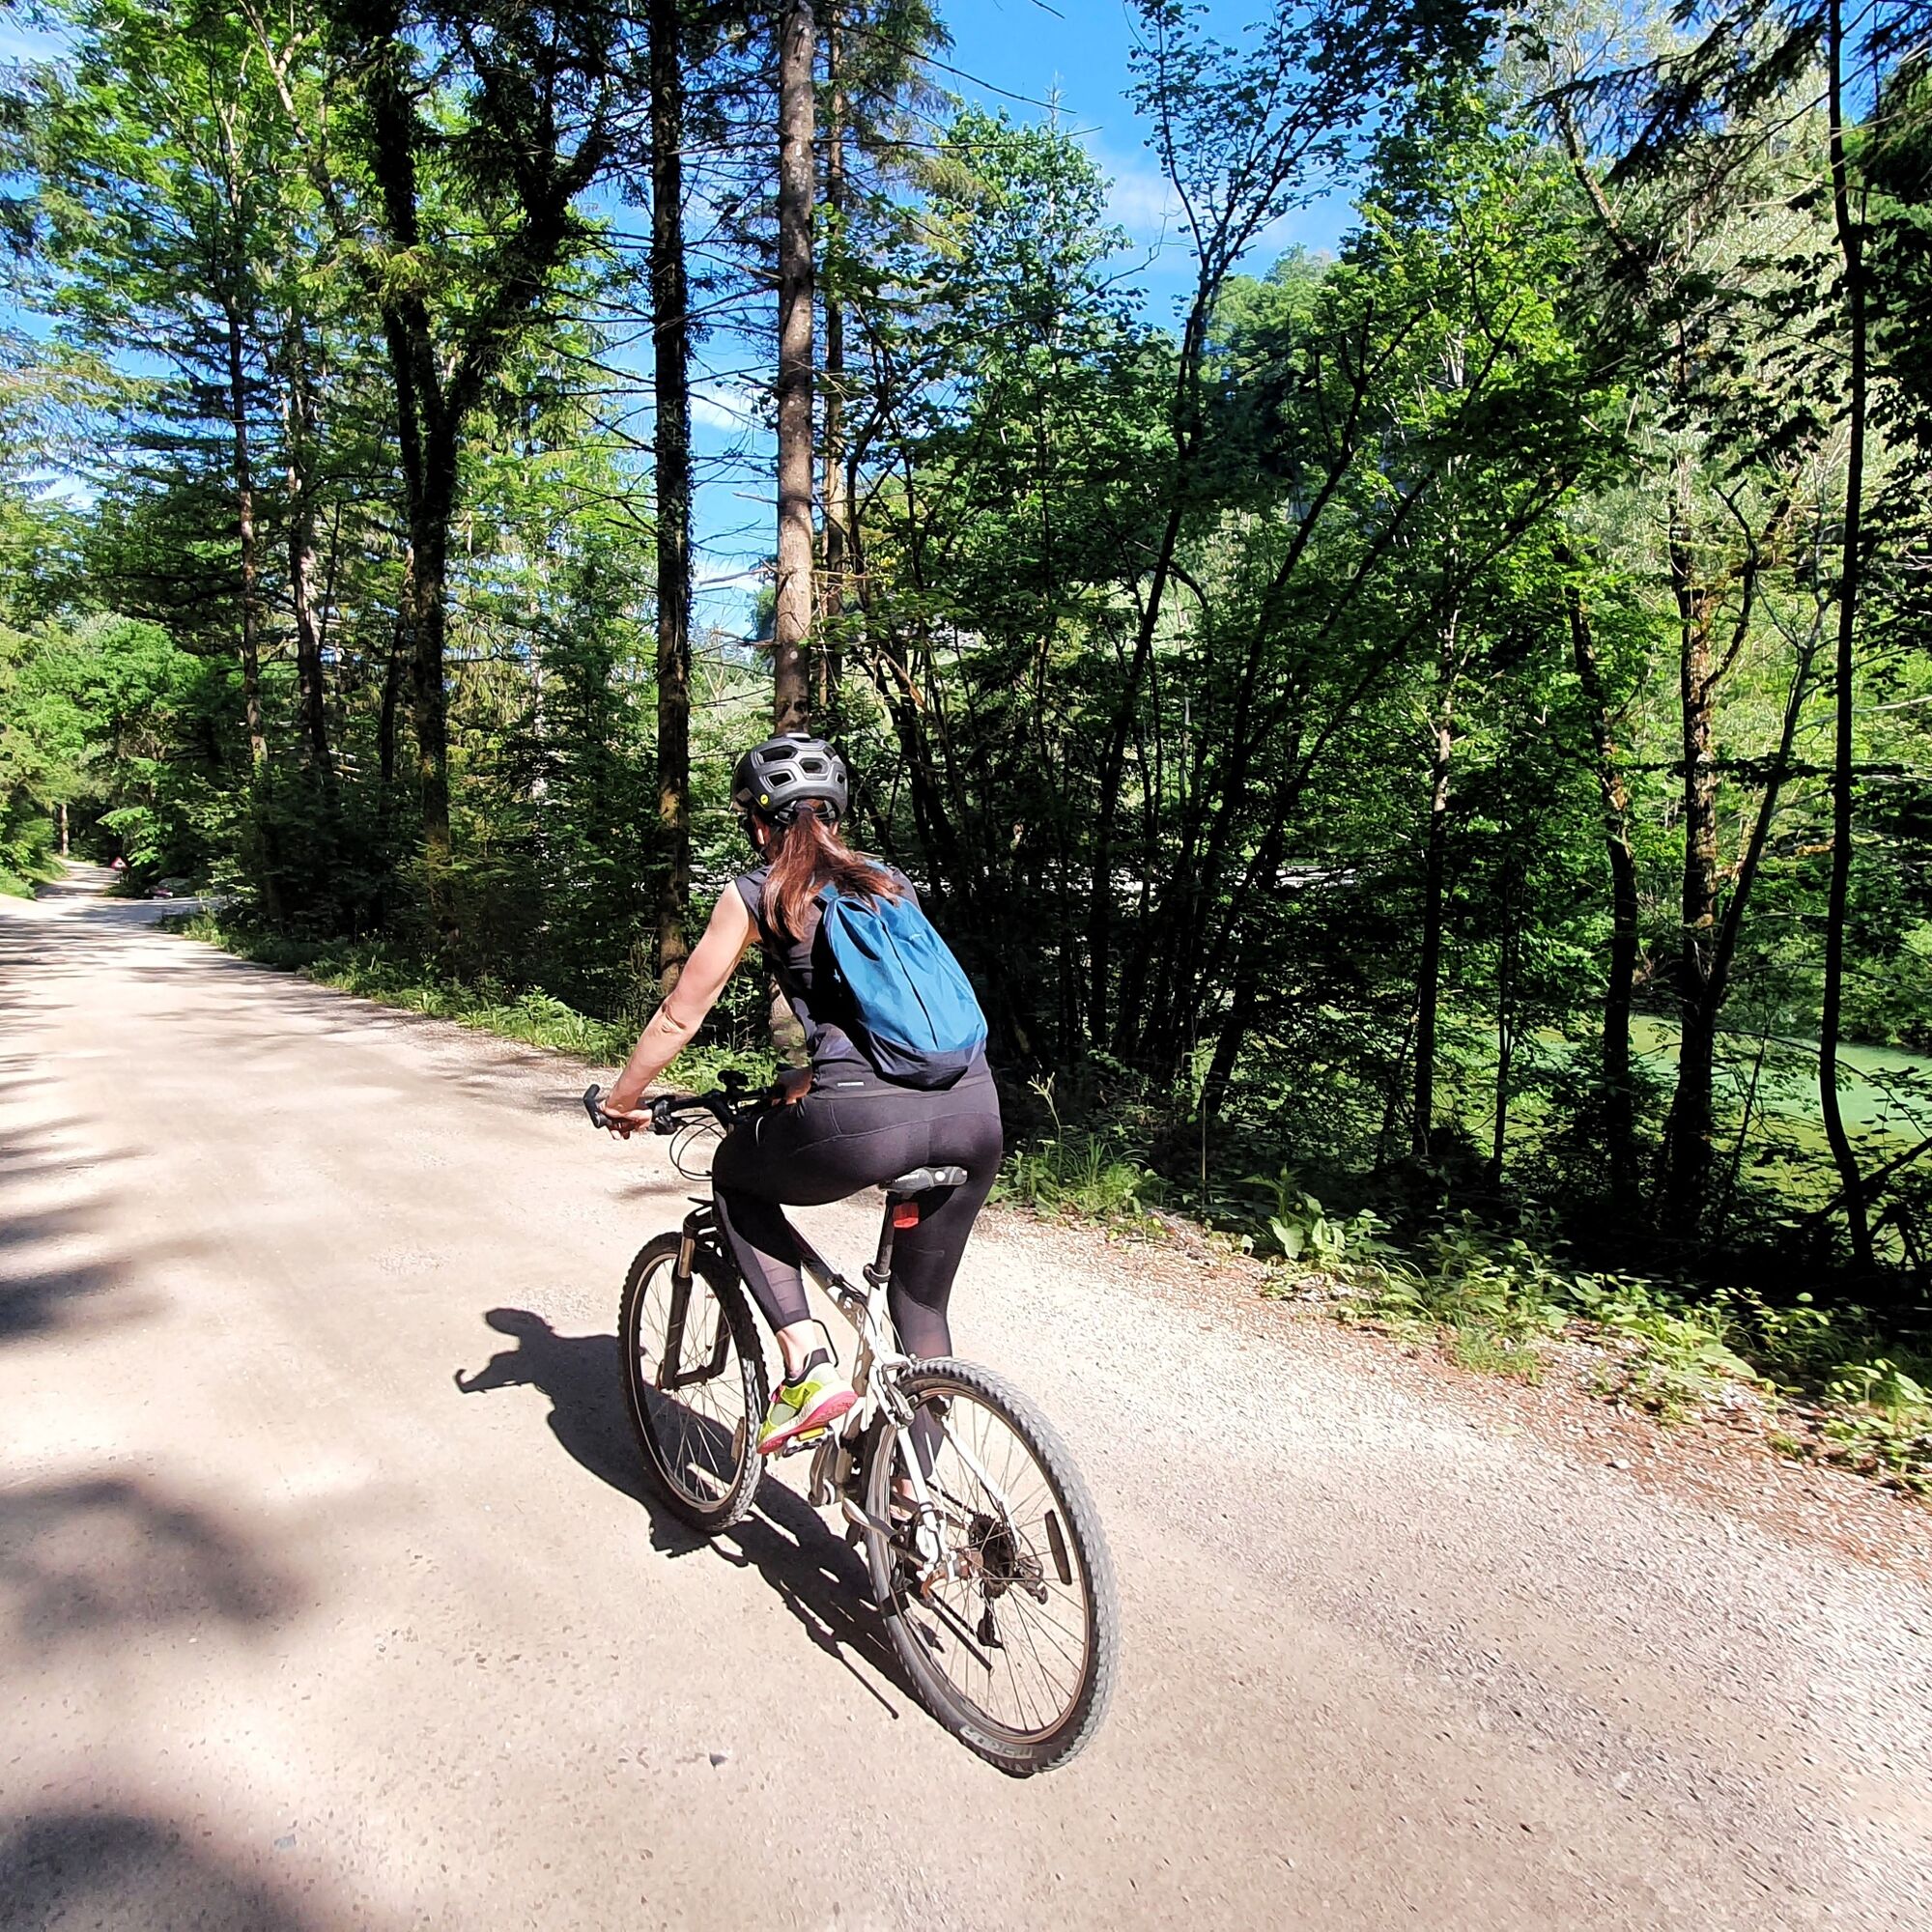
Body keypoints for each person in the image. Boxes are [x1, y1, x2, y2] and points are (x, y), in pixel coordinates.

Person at [598, 732, 1004, 1455]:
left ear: (759, 825)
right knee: (921, 1308)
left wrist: (622, 1099)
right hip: (974, 1109)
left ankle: (806, 1363)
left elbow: (680, 1015)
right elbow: (892, 1010)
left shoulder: (755, 892)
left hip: (866, 1121)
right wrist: (807, 1076)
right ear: (835, 816)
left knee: (734, 1174)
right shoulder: (889, 882)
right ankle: (913, 1498)